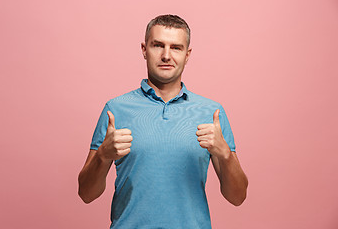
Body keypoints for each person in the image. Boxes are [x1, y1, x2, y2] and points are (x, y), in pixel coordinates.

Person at [78, 14, 248, 228]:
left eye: (176, 48)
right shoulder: (115, 109)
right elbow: (86, 193)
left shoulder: (211, 112)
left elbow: (238, 197)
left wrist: (225, 155)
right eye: (158, 45)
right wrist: (102, 155)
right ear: (144, 49)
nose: (166, 55)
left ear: (187, 54)